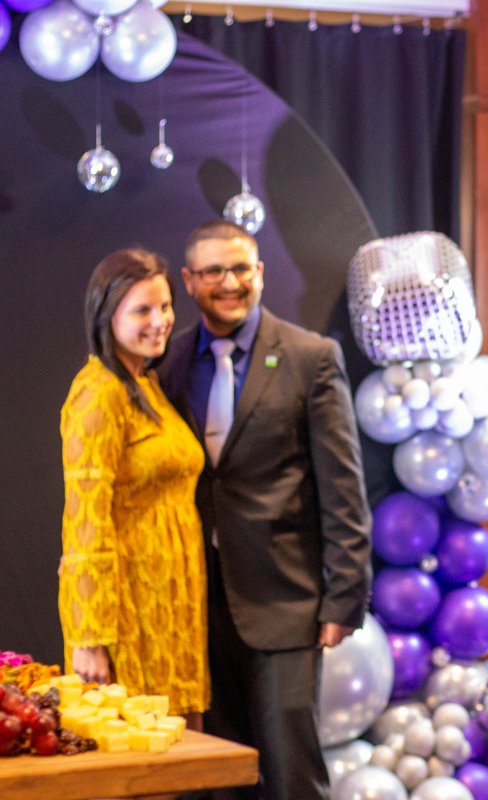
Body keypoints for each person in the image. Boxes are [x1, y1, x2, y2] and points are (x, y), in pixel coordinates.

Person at [158, 221, 372, 800]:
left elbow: (344, 490)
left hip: (286, 604)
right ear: (190, 280)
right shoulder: (169, 364)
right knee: (219, 777)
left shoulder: (310, 357)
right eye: (213, 272)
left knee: (291, 774)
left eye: (241, 269)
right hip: (198, 609)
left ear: (260, 273)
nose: (229, 282)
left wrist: (343, 597)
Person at [59, 248, 209, 729]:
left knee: (179, 760)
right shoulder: (98, 392)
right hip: (127, 614)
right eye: (142, 309)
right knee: (140, 765)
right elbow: (85, 519)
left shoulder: (145, 384)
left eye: (165, 306)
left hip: (171, 606)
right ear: (108, 315)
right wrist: (89, 636)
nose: (160, 320)